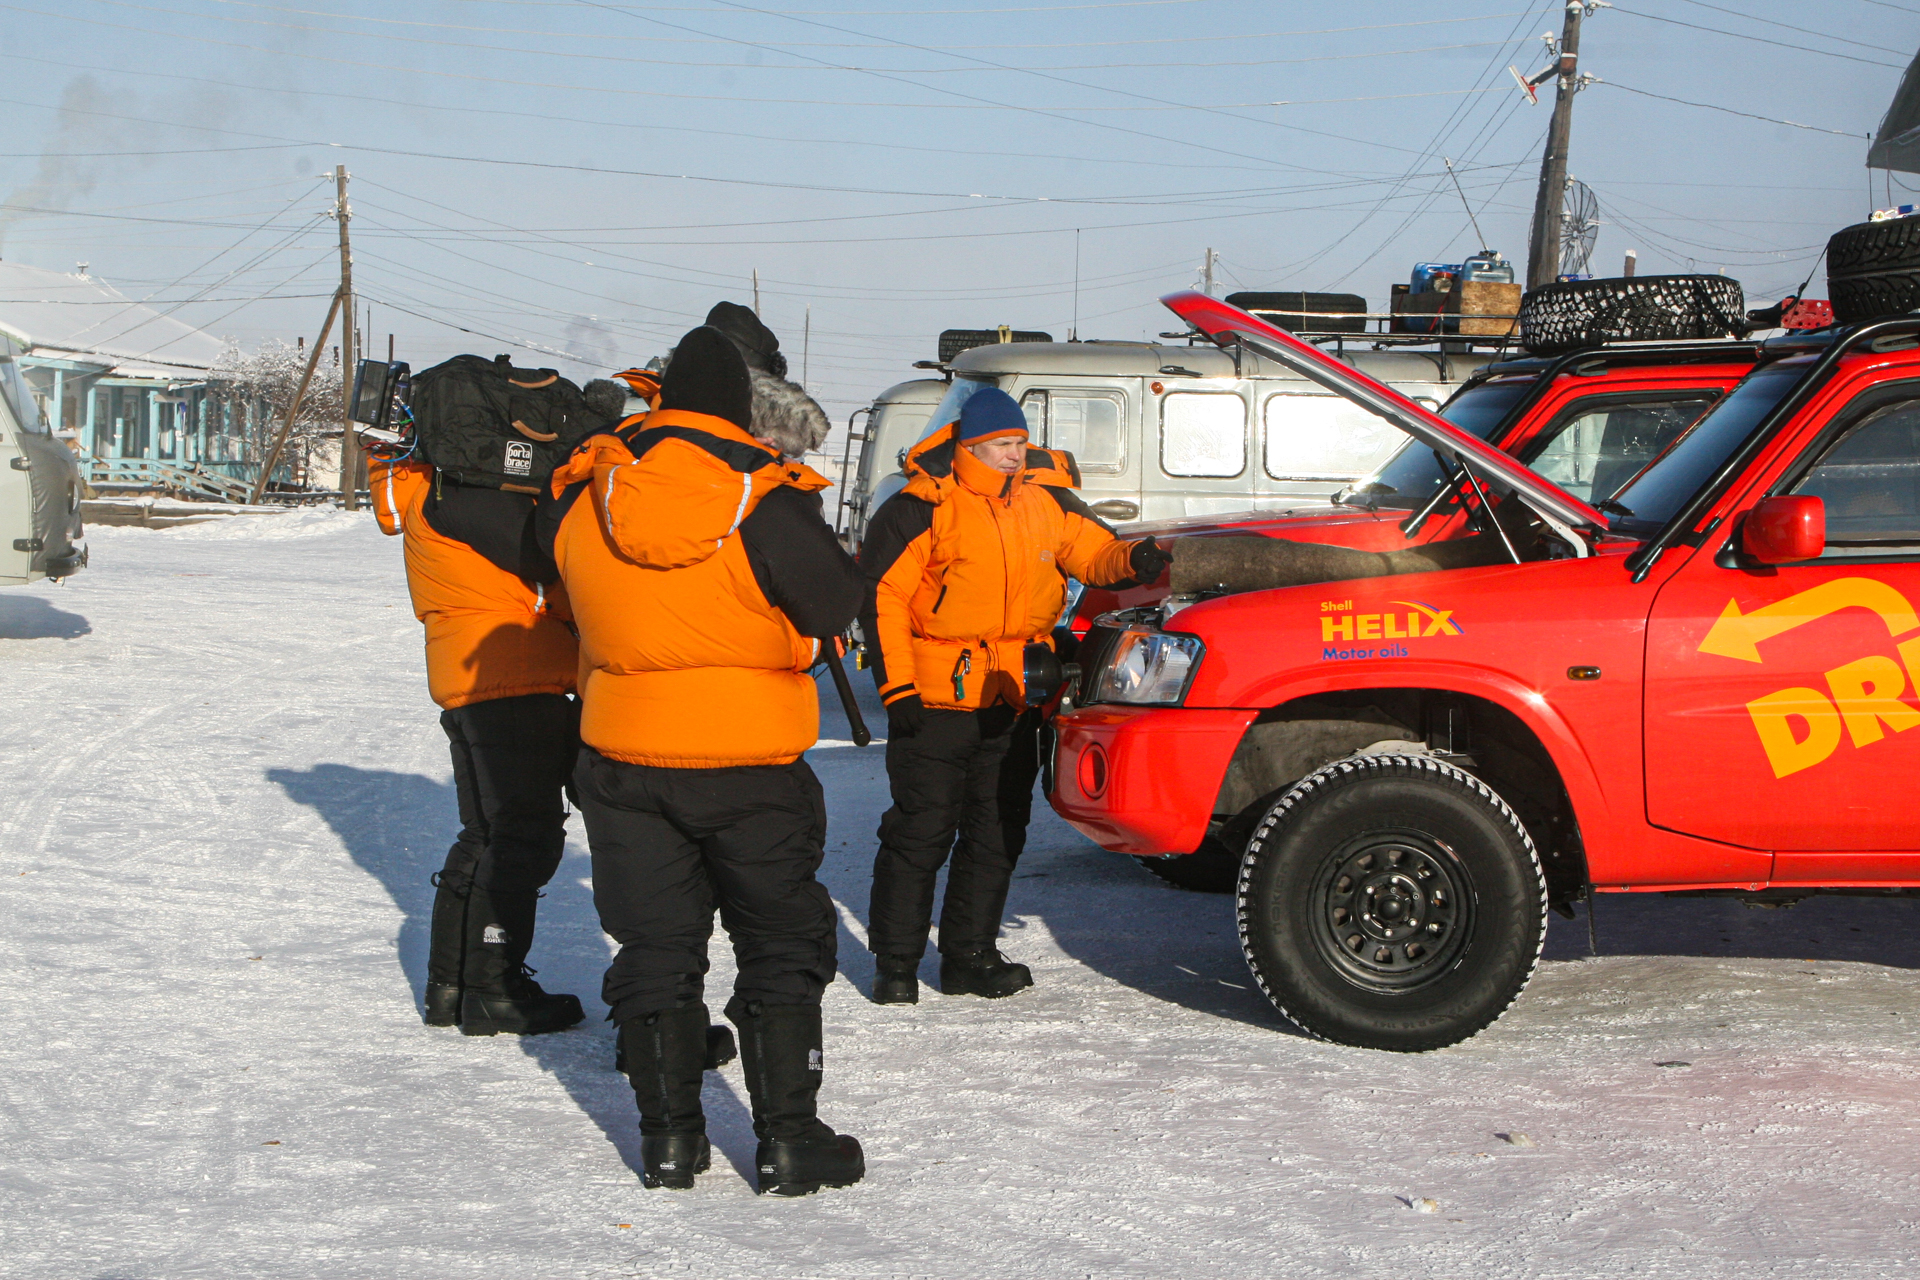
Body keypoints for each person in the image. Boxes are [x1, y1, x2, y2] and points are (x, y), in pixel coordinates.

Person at [544, 325, 866, 1196]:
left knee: (655, 948)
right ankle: (790, 1140)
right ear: (738, 406)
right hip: (750, 765)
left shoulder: (589, 493)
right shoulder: (760, 493)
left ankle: (669, 1142)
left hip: (624, 760)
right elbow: (836, 604)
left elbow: (553, 582)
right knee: (779, 943)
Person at [858, 387, 1172, 1005]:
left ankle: (968, 956)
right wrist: (897, 689)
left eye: (1020, 443)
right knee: (920, 831)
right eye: (1003, 444)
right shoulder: (921, 507)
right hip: (935, 699)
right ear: (970, 445)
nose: (1014, 454)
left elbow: (1095, 554)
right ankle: (896, 962)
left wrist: (1136, 557)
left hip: (1018, 692)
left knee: (997, 829)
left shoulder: (1047, 502)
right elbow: (882, 600)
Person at [370, 437, 589, 1038]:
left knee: (488, 834)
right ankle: (493, 985)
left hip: (471, 679)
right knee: (525, 839)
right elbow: (548, 558)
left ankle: (451, 984)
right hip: (514, 674)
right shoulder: (465, 498)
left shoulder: (425, 491)